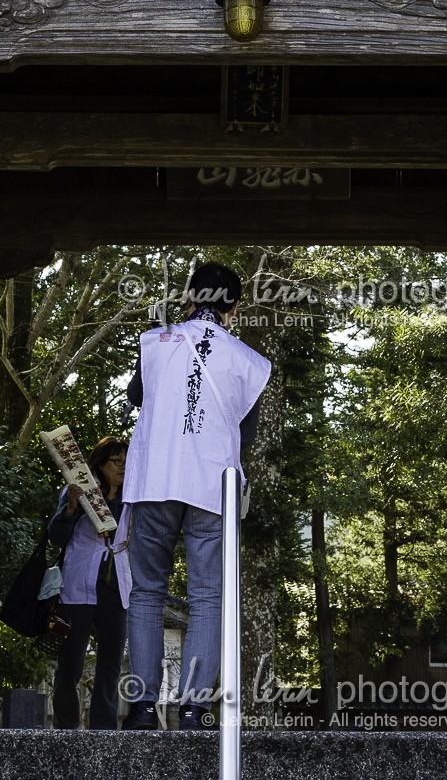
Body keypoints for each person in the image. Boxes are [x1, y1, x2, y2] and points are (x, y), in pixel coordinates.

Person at [120, 262, 272, 731]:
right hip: (213, 483)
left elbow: (136, 397)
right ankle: (193, 708)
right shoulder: (249, 362)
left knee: (147, 590)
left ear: (188, 297)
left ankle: (143, 707)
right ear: (234, 306)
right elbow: (245, 433)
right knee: (207, 596)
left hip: (156, 480)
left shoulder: (154, 343)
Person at [46, 435, 132, 730]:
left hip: (116, 586)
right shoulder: (80, 491)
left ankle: (103, 730)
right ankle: (66, 725)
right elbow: (56, 536)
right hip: (78, 583)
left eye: (125, 461)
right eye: (115, 461)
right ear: (99, 462)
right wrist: (70, 508)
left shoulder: (133, 498)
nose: (121, 466)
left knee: (111, 663)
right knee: (71, 661)